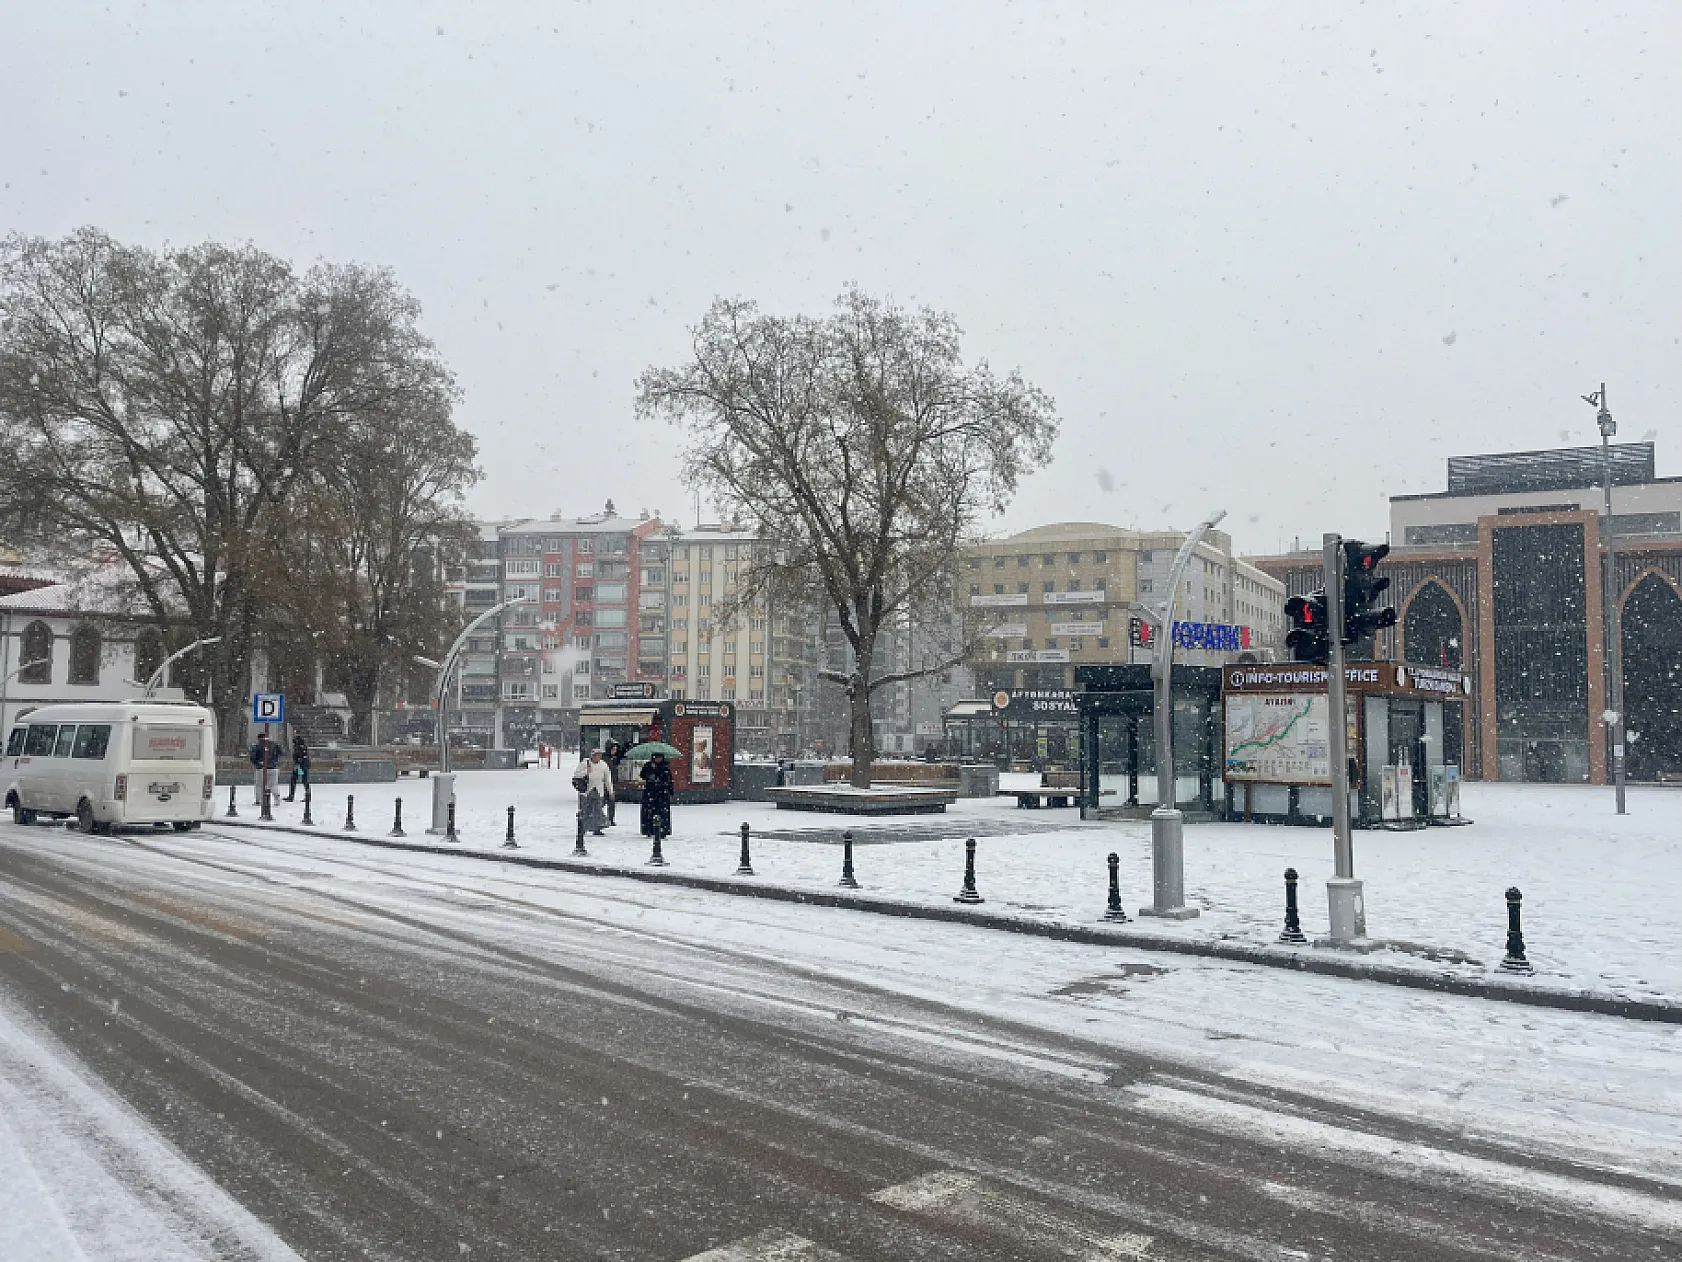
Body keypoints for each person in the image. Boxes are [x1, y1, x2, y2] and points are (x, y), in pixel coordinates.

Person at [573, 748, 612, 836]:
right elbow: (576, 775)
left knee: (598, 810)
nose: (598, 757)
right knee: (585, 810)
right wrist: (586, 771)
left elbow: (607, 779)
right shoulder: (585, 763)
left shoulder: (603, 765)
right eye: (596, 755)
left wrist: (610, 791)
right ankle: (583, 828)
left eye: (599, 755)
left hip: (598, 790)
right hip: (586, 791)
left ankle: (597, 828)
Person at [639, 751, 673, 840]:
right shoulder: (648, 765)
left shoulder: (665, 767)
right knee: (649, 812)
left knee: (662, 812)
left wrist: (669, 790)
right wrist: (650, 772)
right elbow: (642, 775)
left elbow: (668, 779)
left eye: (660, 758)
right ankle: (649, 830)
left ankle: (663, 830)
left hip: (662, 794)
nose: (658, 760)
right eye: (656, 758)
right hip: (650, 793)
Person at [248, 731, 281, 805]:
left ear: (259, 738)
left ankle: (258, 800)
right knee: (273, 784)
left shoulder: (257, 746)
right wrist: (274, 760)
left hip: (261, 768)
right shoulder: (274, 744)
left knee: (259, 785)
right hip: (273, 768)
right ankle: (277, 799)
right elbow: (281, 752)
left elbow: (253, 758)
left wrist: (258, 763)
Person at [604, 740, 626, 826]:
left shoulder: (614, 758)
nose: (615, 751)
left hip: (612, 783)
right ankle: (605, 819)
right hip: (606, 784)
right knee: (604, 802)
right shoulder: (605, 759)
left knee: (611, 803)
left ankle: (610, 819)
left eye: (615, 749)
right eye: (613, 749)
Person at [286, 731, 311, 801]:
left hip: (300, 766)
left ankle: (292, 796)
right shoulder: (302, 747)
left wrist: (297, 765)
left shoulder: (299, 748)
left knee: (296, 780)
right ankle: (307, 795)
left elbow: (301, 757)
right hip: (302, 766)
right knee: (303, 780)